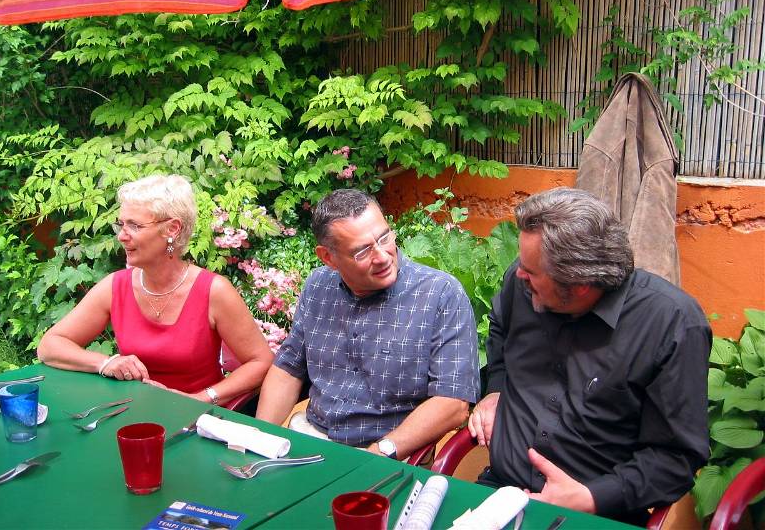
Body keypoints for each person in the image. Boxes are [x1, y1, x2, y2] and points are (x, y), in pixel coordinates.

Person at [468, 187, 710, 526]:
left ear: (579, 284)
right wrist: (496, 389)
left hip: (598, 515)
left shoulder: (671, 324)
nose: (520, 274)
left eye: (532, 272)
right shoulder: (522, 282)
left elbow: (675, 459)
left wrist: (592, 497)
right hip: (501, 493)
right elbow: (500, 327)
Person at [256, 189, 480, 460]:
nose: (383, 256)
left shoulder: (440, 294)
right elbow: (288, 369)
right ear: (328, 258)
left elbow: (453, 402)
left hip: (390, 452)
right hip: (312, 437)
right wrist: (258, 439)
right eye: (362, 251)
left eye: (384, 238)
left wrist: (378, 454)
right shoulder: (318, 286)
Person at [37, 174, 273, 406]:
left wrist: (200, 399)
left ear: (172, 229)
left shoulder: (213, 291)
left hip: (196, 419)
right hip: (132, 412)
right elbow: (50, 346)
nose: (121, 236)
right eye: (121, 224)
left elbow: (261, 362)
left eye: (134, 225)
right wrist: (106, 363)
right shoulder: (115, 286)